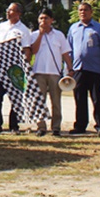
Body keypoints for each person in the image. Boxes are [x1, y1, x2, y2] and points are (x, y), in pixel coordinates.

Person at [24, 7, 73, 137]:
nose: (43, 20)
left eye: (46, 18)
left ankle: (56, 127)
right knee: (39, 101)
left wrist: (70, 68)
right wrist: (40, 34)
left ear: (52, 20)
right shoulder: (33, 35)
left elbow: (65, 53)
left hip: (54, 73)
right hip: (38, 72)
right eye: (41, 18)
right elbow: (33, 51)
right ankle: (41, 127)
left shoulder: (59, 35)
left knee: (56, 101)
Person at [67, 2, 100, 136]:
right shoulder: (73, 28)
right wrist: (68, 68)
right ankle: (80, 126)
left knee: (97, 99)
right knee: (79, 99)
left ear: (91, 12)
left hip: (96, 69)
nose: (83, 12)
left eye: (85, 10)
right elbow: (69, 49)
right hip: (78, 69)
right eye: (80, 10)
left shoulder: (99, 28)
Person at [0, 2, 32, 135]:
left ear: (18, 13)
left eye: (12, 10)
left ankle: (14, 125)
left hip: (14, 68)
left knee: (15, 97)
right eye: (8, 10)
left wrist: (24, 66)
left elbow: (26, 49)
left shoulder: (23, 29)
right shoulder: (1, 27)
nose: (8, 12)